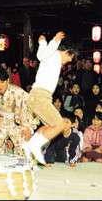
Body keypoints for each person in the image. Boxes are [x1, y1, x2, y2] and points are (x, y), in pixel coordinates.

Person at [22, 31, 78, 164]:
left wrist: (43, 41)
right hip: (39, 96)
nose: (68, 62)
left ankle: (30, 144)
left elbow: (42, 51)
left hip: (42, 97)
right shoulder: (52, 55)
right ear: (67, 52)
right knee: (61, 124)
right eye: (70, 58)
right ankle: (34, 145)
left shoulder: (55, 60)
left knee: (51, 126)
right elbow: (41, 55)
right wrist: (54, 41)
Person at [0, 67, 38, 156]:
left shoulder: (18, 92)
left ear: (7, 81)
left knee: (23, 143)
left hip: (17, 123)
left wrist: (28, 128)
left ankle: (22, 167)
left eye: (2, 82)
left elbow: (27, 108)